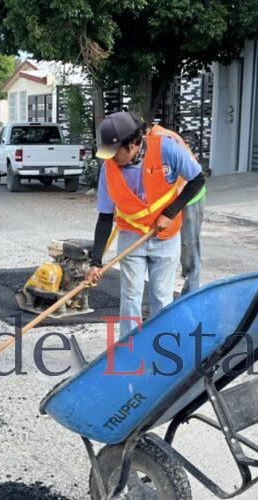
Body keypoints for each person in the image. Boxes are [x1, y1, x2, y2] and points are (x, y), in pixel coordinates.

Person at [85, 111, 206, 338]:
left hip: (166, 235)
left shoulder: (166, 149)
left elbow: (197, 180)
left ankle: (162, 347)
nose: (111, 159)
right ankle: (128, 350)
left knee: (161, 295)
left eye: (115, 152)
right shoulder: (108, 170)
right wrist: (96, 262)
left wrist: (170, 212)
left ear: (132, 144)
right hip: (132, 236)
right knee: (130, 295)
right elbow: (104, 217)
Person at [147, 121, 206, 294]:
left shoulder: (162, 139)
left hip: (190, 196)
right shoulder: (149, 140)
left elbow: (192, 178)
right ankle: (159, 292)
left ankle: (191, 293)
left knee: (189, 245)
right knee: (168, 245)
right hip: (172, 200)